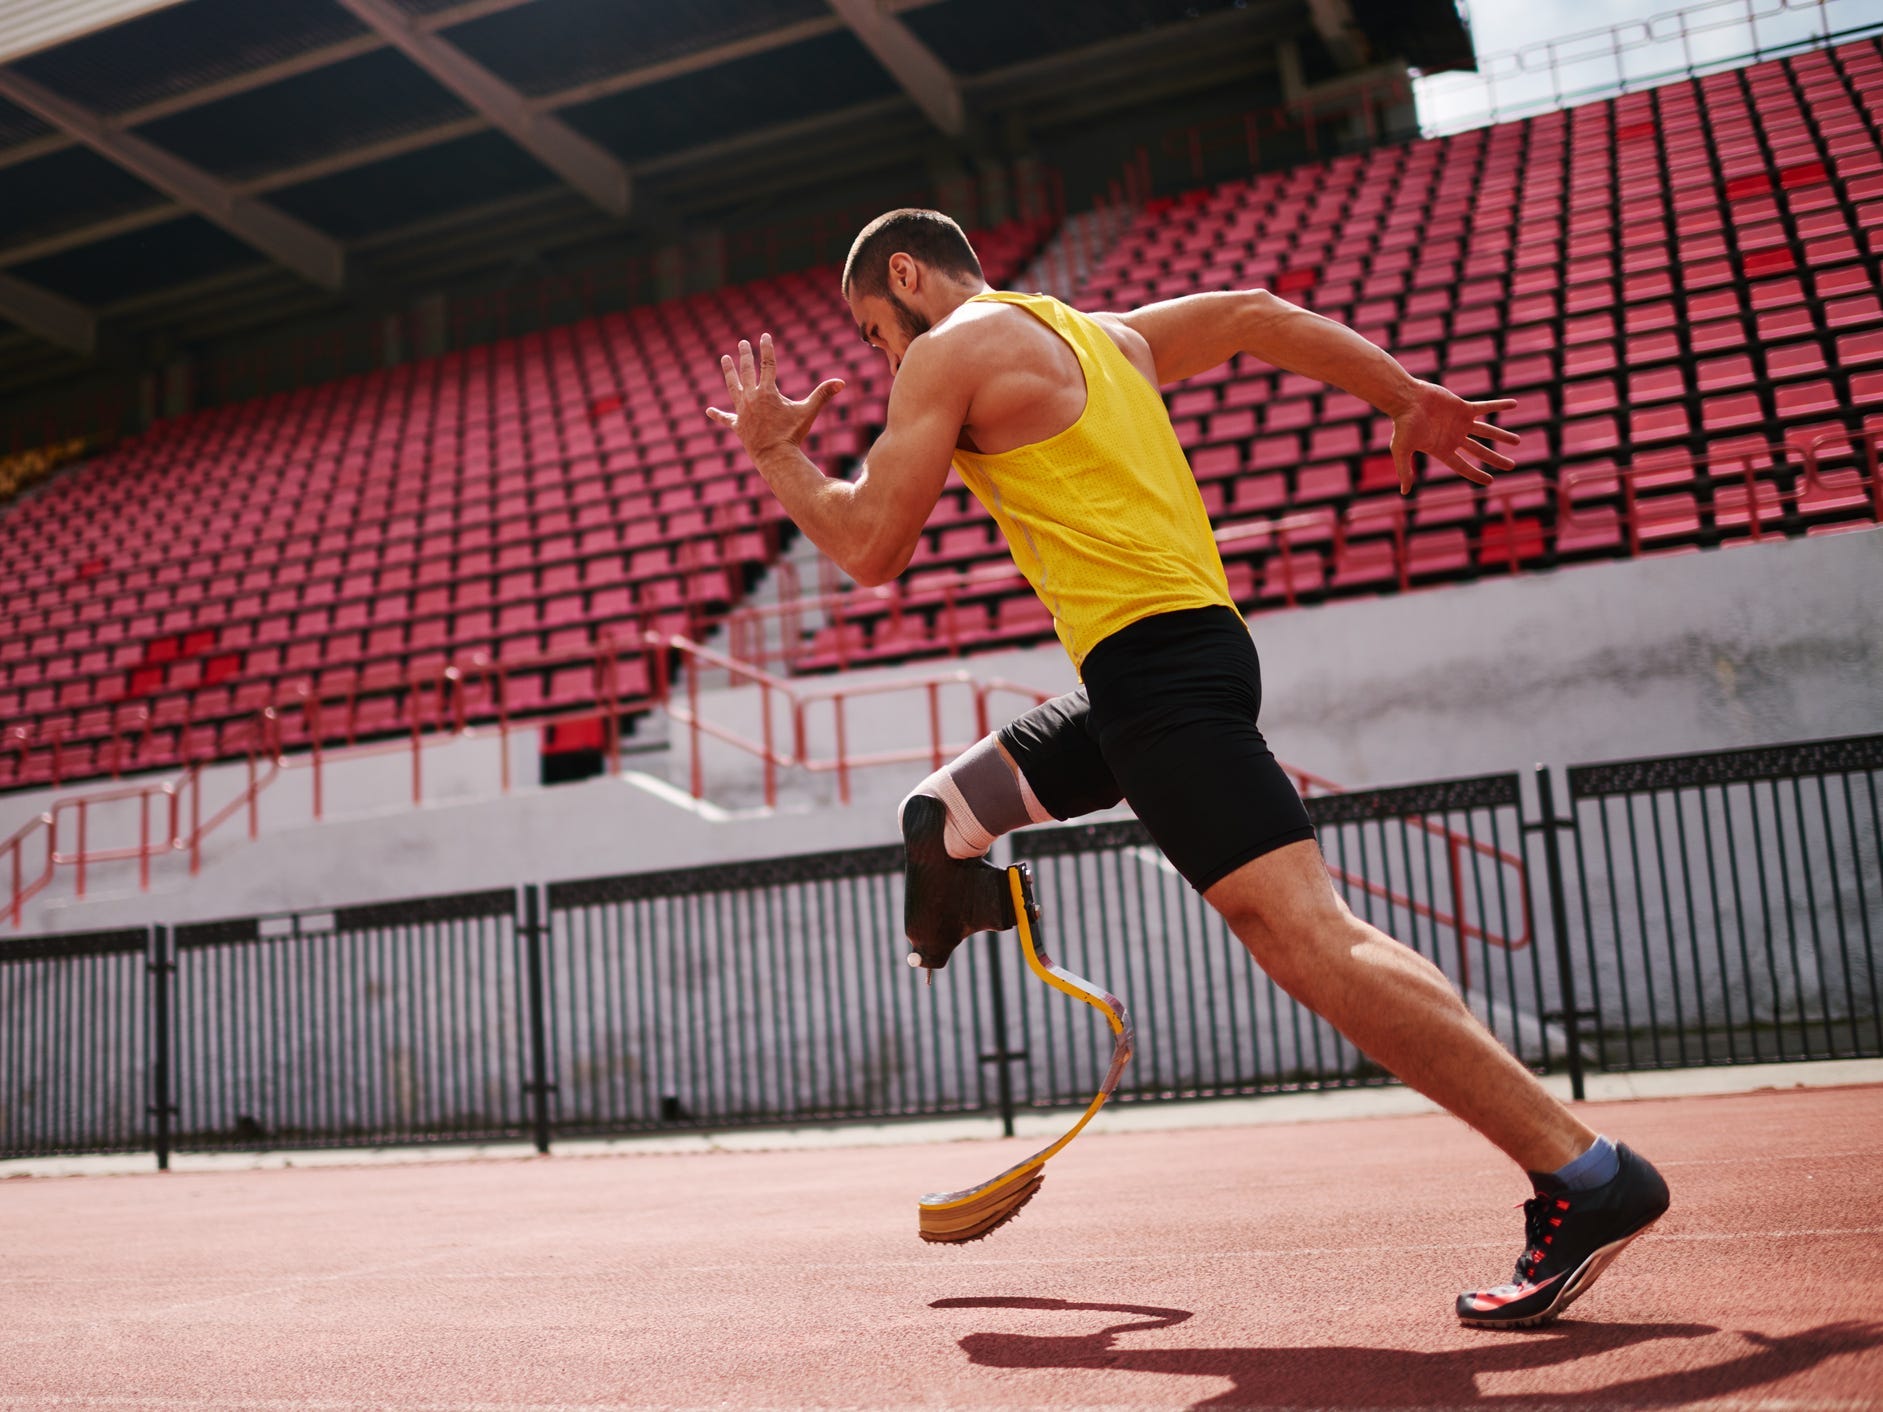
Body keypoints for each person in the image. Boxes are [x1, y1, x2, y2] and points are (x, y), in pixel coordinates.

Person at [706, 207, 1668, 1327]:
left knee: (1308, 938)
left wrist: (775, 447)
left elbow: (869, 545)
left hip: (1157, 675)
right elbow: (1257, 316)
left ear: (907, 275)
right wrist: (1402, 394)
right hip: (1159, 672)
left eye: (874, 330)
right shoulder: (1102, 334)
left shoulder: (947, 349)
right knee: (938, 813)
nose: (882, 360)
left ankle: (1586, 1174)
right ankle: (954, 886)